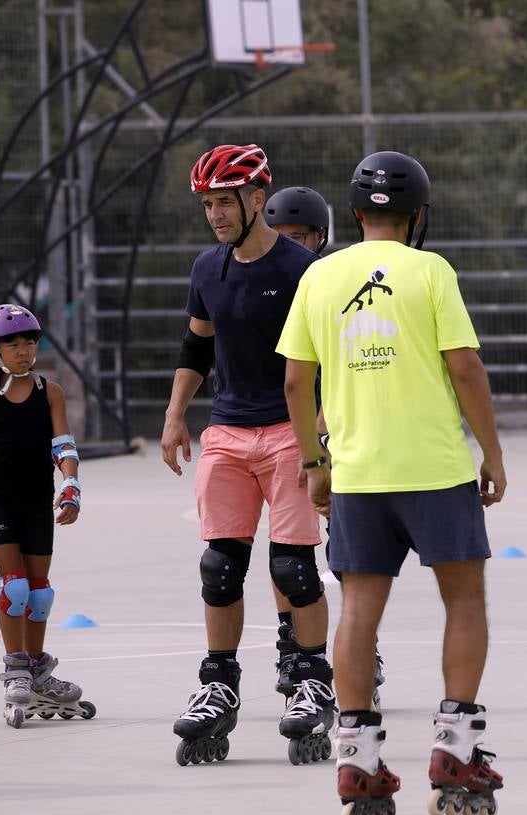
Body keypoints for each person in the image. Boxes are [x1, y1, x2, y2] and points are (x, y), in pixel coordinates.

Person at [279, 150, 506, 815]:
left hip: (357, 474)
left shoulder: (321, 275)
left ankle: (356, 755)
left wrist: (314, 462)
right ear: (418, 217)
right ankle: (455, 749)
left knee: (358, 610)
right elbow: (464, 368)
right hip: (434, 469)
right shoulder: (431, 270)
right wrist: (491, 451)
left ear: (354, 213)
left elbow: (295, 382)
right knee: (463, 600)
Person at [160, 143, 336, 767]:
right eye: (207, 204)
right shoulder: (208, 269)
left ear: (257, 199)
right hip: (228, 434)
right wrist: (177, 413)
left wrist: (323, 428)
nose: (214, 214)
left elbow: (328, 357)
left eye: (224, 201)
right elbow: (196, 346)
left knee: (293, 569)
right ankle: (218, 685)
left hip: (290, 434)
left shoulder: (303, 270)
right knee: (220, 567)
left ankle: (313, 680)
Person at [262, 184, 389, 707]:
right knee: (287, 551)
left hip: (332, 423)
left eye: (301, 237)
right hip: (275, 426)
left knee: (345, 545)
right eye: (282, 237)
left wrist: (323, 427)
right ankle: (293, 641)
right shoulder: (262, 279)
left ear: (321, 237)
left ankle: (362, 642)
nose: (291, 245)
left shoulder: (337, 281)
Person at [0, 304, 92, 729]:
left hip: (38, 501)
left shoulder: (48, 391)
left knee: (39, 594)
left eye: (30, 341)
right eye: (12, 343)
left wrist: (71, 485)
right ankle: (15, 668)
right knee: (13, 587)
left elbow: (63, 446)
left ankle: (37, 671)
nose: (23, 350)